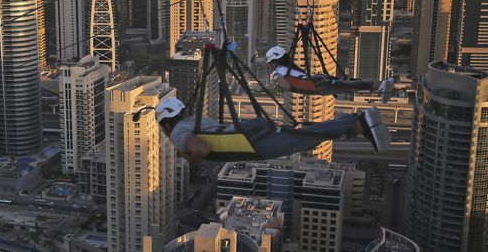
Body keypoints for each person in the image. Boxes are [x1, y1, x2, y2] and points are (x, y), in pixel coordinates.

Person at [155, 97, 391, 163]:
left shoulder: (177, 133)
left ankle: (357, 125)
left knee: (300, 140)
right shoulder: (192, 120)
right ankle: (355, 121)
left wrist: (189, 156)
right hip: (248, 133)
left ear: (166, 123)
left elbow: (202, 149)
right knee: (302, 135)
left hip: (249, 145)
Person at [265, 45, 394, 102]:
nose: (271, 65)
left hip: (317, 86)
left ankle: (381, 85)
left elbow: (287, 86)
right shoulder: (289, 67)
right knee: (348, 82)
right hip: (317, 80)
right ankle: (380, 85)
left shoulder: (278, 72)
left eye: (271, 62)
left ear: (276, 61)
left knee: (349, 87)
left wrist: (277, 80)